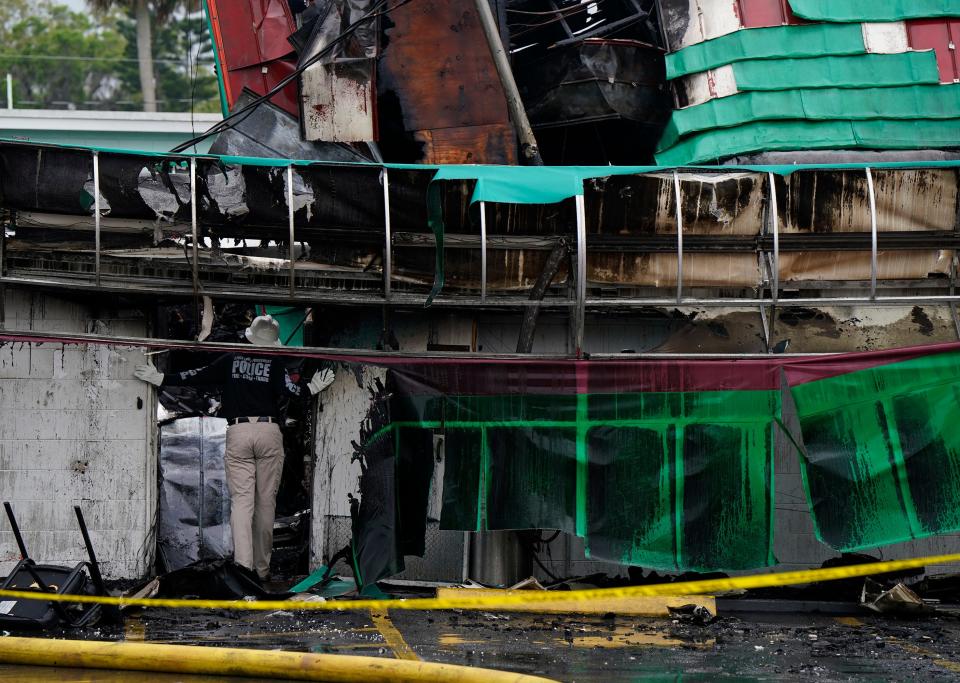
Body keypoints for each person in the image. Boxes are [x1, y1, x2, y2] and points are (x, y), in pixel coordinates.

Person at [135, 315, 335, 581]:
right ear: (272, 342)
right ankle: (262, 571)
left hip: (238, 432)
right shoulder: (275, 364)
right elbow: (292, 391)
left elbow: (197, 376)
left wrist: (161, 379)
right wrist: (313, 387)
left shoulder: (230, 360)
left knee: (241, 504)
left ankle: (244, 570)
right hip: (268, 432)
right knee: (266, 505)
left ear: (249, 336)